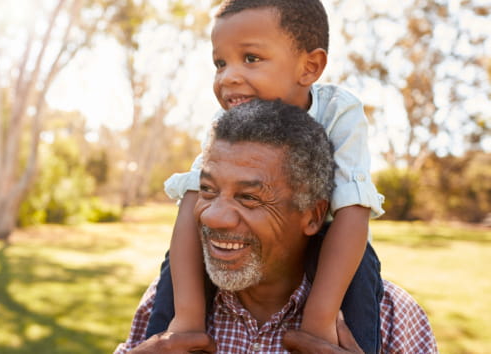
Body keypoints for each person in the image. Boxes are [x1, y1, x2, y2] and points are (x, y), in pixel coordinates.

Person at [147, 0, 386, 352]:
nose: (227, 76)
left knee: (362, 261)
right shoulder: (223, 124)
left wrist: (319, 322)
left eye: (251, 59)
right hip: (246, 250)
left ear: (310, 66)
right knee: (177, 258)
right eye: (220, 63)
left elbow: (353, 209)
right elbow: (193, 200)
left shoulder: (338, 111)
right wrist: (187, 315)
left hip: (326, 240)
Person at [115, 100, 437, 353]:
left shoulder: (392, 318)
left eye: (249, 198)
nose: (213, 217)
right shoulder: (167, 303)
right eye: (208, 190)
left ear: (313, 216)